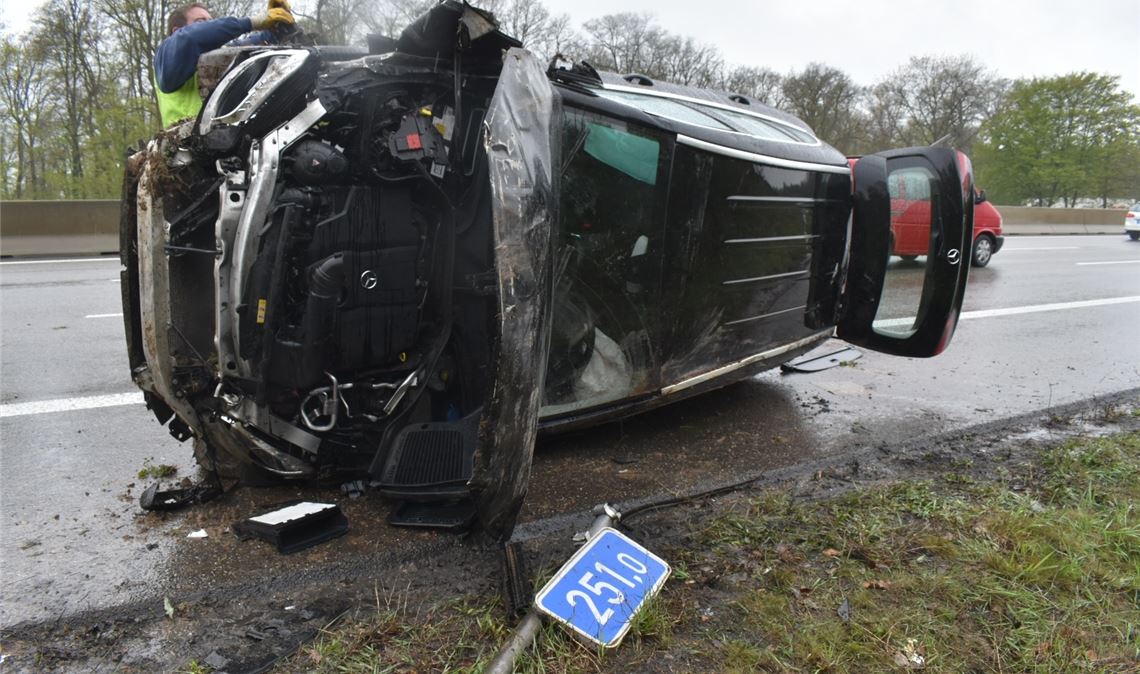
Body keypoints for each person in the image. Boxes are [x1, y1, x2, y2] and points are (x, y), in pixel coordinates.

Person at [154, 1, 296, 127]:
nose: (209, 25)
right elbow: (190, 37)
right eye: (200, 22)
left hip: (224, 138)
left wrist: (276, 27)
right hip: (187, 145)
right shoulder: (167, 56)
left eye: (210, 21)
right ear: (177, 31)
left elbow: (248, 45)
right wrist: (252, 22)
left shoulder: (215, 57)